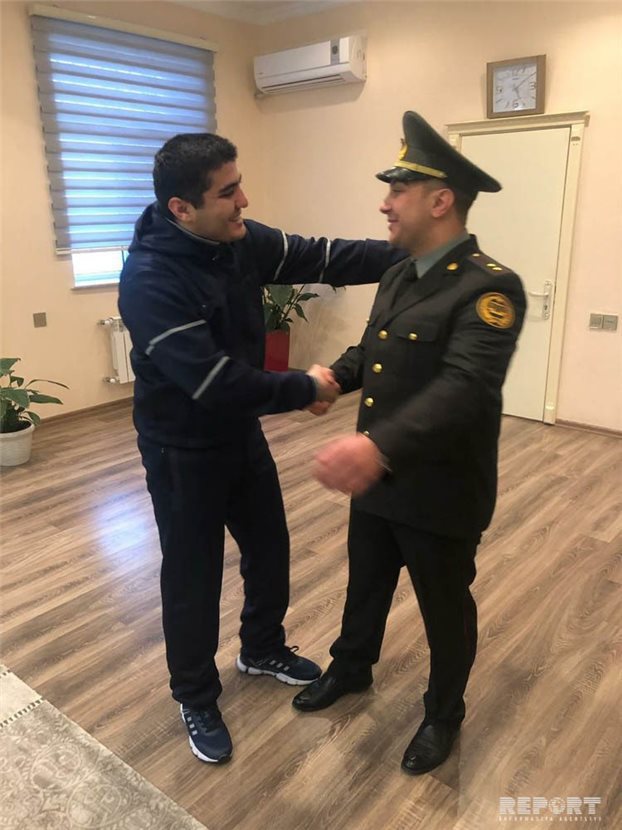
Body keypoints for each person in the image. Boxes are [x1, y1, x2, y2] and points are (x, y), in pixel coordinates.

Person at [118, 132, 406, 765]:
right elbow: (214, 382)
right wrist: (307, 385)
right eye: (228, 192)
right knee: (192, 575)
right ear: (181, 208)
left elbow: (325, 257)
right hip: (180, 449)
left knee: (269, 548)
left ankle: (262, 648)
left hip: (238, 434)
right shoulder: (149, 279)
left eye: (239, 183)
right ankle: (196, 694)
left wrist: (410, 250)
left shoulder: (239, 240)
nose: (244, 200)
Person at [292, 111, 526, 776]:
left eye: (398, 190)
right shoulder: (401, 273)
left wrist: (376, 447)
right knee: (365, 584)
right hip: (379, 478)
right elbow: (375, 348)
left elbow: (464, 388)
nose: (385, 203)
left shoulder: (489, 287)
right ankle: (351, 667)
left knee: (444, 608)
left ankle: (443, 713)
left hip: (440, 488)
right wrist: (333, 378)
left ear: (440, 200)